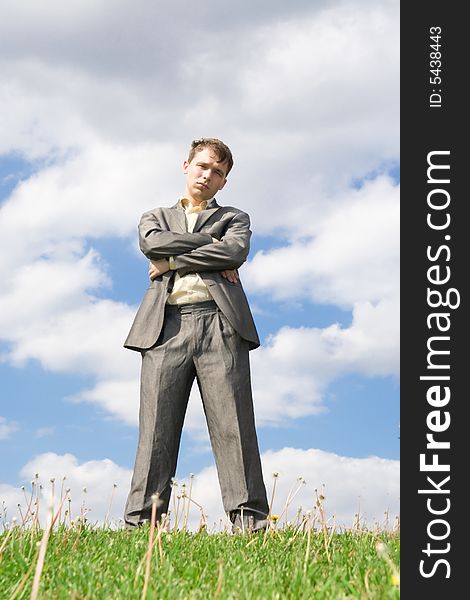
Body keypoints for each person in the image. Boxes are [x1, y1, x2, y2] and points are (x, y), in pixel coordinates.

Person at [123, 138, 269, 532]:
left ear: (224, 183)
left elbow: (234, 252)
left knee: (234, 427)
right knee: (155, 430)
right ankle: (142, 526)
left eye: (218, 172)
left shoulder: (235, 217)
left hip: (221, 325)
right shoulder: (154, 216)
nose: (208, 175)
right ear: (185, 165)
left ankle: (249, 526)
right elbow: (151, 242)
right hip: (164, 328)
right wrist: (210, 246)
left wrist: (171, 261)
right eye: (202, 166)